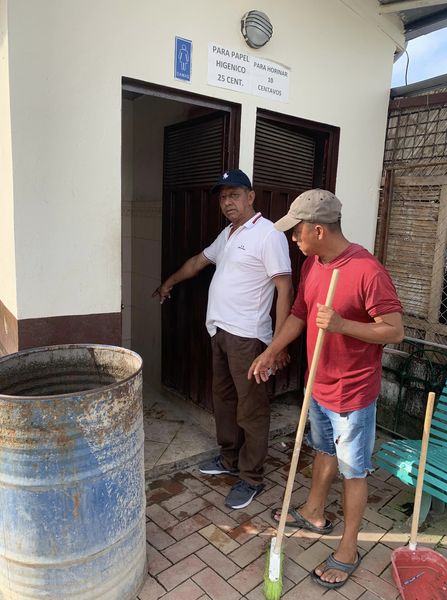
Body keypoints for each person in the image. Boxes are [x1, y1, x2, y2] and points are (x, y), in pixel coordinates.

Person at [249, 189, 404, 590]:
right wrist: (271, 351)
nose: (293, 238)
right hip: (318, 383)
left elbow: (394, 331)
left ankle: (348, 549)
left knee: (354, 470)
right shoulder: (313, 264)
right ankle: (314, 512)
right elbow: (300, 314)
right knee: (322, 449)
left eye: (297, 230)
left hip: (352, 392)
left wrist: (342, 325)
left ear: (318, 230)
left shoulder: (367, 270)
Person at [153, 169, 293, 509]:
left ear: (251, 196)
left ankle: (252, 477)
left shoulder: (268, 234)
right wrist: (169, 282)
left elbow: (285, 288)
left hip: (249, 338)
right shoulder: (228, 234)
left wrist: (277, 345)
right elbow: (197, 263)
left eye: (234, 195)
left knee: (252, 408)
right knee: (225, 401)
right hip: (220, 332)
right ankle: (230, 458)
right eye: (223, 197)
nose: (228, 202)